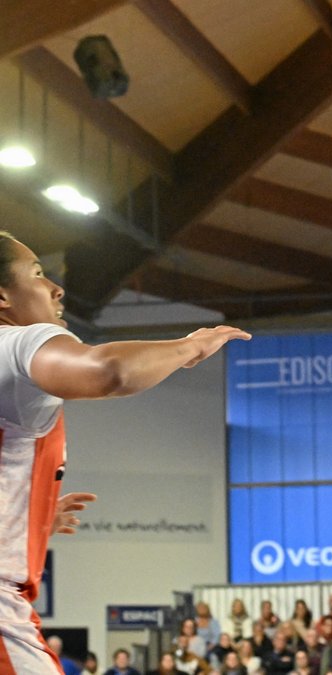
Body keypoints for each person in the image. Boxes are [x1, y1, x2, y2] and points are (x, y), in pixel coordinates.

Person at [0, 231, 249, 674]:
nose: (56, 288)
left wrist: (24, 521)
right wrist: (190, 347)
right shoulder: (16, 343)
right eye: (37, 274)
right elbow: (108, 371)